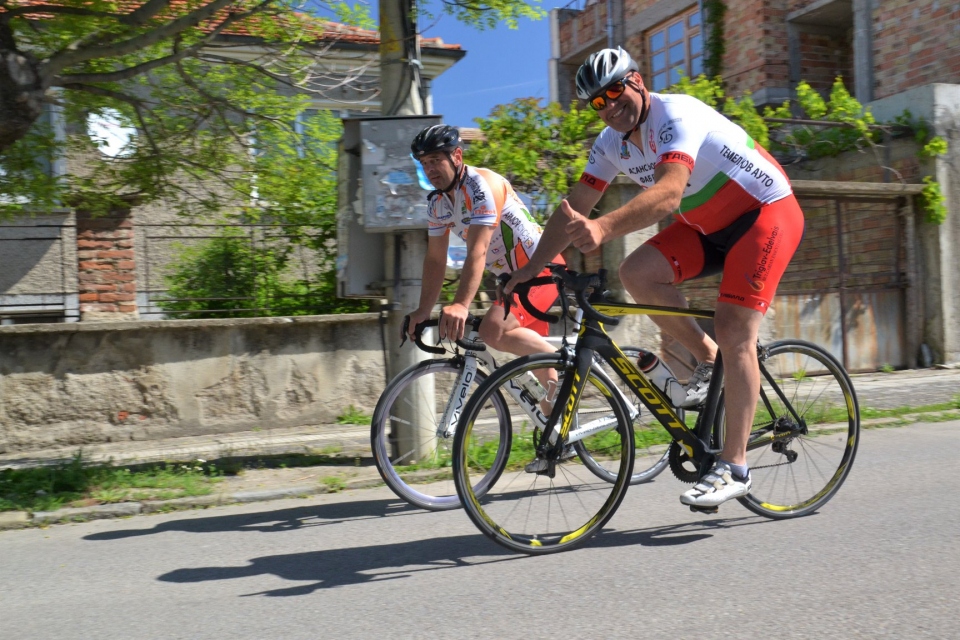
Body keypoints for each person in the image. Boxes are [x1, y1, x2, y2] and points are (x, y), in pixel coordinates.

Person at [504, 47, 805, 509]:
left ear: (638, 82)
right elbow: (573, 211)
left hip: (765, 214)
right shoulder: (610, 143)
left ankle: (735, 466)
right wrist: (528, 270)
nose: (609, 105)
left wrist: (603, 229)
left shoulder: (675, 113)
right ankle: (709, 361)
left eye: (615, 91)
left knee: (734, 330)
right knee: (637, 273)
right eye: (598, 102)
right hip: (707, 226)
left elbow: (667, 194)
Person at [406, 125, 564, 390]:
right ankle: (559, 428)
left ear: (457, 156)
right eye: (424, 163)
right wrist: (423, 310)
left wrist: (460, 305)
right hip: (512, 281)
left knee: (492, 331)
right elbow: (435, 259)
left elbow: (477, 250)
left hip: (542, 268)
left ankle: (568, 363)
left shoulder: (481, 186)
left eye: (435, 160)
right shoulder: (437, 203)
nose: (430, 169)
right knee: (543, 375)